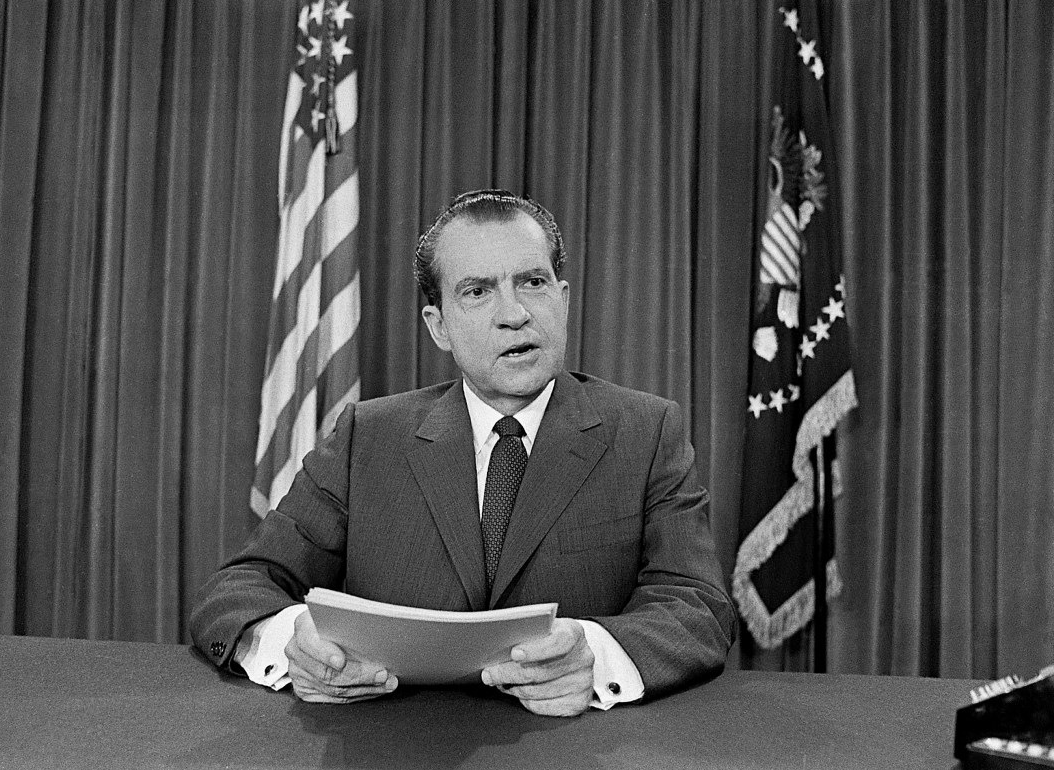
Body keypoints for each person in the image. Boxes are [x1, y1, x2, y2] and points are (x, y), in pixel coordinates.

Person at [191, 189, 734, 717]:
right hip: (394, 750)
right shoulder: (368, 437)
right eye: (478, 292)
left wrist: (594, 654)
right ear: (439, 326)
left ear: (563, 299)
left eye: (533, 282)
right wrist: (296, 642)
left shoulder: (645, 431)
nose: (515, 313)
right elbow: (238, 589)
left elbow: (697, 606)